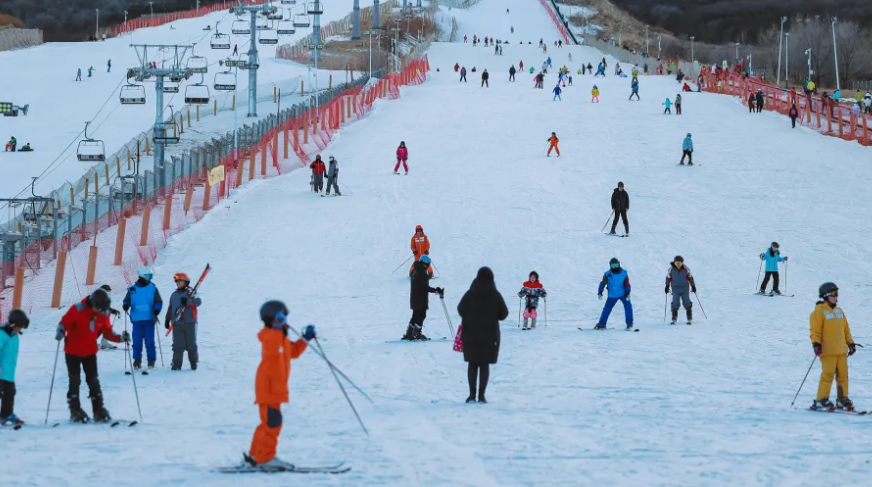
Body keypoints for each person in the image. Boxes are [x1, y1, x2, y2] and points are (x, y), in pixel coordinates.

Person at [245, 301, 314, 469]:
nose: (285, 321)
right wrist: (276, 327)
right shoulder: (269, 336)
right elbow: (271, 344)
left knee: (267, 422)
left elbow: (294, 352)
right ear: (272, 318)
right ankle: (266, 458)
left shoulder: (280, 338)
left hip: (275, 388)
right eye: (281, 318)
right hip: (268, 387)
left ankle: (255, 455)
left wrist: (306, 338)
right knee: (273, 422)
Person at [56, 289, 128, 422]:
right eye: (97, 309)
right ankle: (75, 410)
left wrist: (120, 338)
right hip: (72, 351)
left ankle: (98, 409)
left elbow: (107, 332)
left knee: (93, 380)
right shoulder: (78, 309)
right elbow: (64, 323)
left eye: (102, 310)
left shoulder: (103, 312)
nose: (99, 312)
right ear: (92, 303)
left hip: (90, 351)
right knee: (75, 380)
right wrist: (61, 330)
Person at [458, 267, 507, 403]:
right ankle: (482, 395)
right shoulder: (495, 294)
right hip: (489, 335)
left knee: (472, 364)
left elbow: (460, 309)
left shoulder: (470, 293)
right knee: (484, 365)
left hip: (470, 334)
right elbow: (504, 314)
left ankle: (472, 395)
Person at [809, 282, 855, 412]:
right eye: (833, 294)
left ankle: (842, 399)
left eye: (837, 294)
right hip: (828, 350)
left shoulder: (839, 311)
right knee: (828, 375)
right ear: (825, 295)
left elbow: (846, 329)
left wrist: (850, 343)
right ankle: (821, 400)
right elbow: (815, 331)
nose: (836, 297)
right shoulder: (818, 312)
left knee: (843, 376)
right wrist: (816, 344)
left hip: (841, 351)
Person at [122, 266, 163, 371]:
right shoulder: (132, 289)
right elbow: (126, 300)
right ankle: (137, 360)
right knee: (137, 342)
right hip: (137, 320)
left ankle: (151, 361)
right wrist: (126, 305)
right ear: (142, 276)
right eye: (148, 276)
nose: (149, 278)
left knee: (149, 342)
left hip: (149, 319)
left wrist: (156, 309)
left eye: (150, 276)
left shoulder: (152, 288)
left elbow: (158, 301)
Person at [164, 272, 202, 370]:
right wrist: (167, 319)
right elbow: (170, 307)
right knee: (177, 345)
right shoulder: (174, 294)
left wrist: (188, 302)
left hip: (190, 322)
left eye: (179, 281)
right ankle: (176, 364)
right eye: (176, 281)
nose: (177, 282)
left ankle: (193, 362)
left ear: (185, 281)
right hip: (177, 323)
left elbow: (198, 302)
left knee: (191, 344)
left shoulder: (191, 292)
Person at [403, 256, 443, 341]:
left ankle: (409, 333)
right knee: (421, 315)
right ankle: (417, 333)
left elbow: (420, 284)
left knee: (415, 315)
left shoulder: (415, 271)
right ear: (426, 264)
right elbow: (424, 287)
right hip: (420, 298)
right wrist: (435, 290)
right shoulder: (422, 273)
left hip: (415, 297)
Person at [0, 309, 28, 426]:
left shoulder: (14, 335)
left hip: (9, 372)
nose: (19, 330)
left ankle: (6, 414)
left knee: (10, 393)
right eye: (18, 327)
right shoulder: (2, 334)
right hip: (1, 372)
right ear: (12, 324)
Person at [595, 258, 633, 330]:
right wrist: (600, 292)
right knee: (607, 309)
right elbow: (603, 283)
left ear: (619, 264)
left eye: (616, 265)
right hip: (612, 295)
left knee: (628, 306)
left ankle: (629, 323)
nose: (615, 267)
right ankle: (602, 324)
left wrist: (627, 292)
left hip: (623, 294)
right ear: (610, 266)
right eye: (613, 266)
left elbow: (626, 283)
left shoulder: (624, 273)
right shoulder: (608, 274)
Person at [665, 256, 696, 325]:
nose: (678, 265)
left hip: (685, 288)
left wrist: (693, 286)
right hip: (675, 288)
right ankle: (674, 319)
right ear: (674, 263)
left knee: (687, 301)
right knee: (675, 302)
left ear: (682, 263)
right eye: (677, 263)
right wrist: (667, 286)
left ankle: (689, 318)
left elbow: (690, 278)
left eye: (679, 263)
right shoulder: (671, 270)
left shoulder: (686, 269)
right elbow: (668, 278)